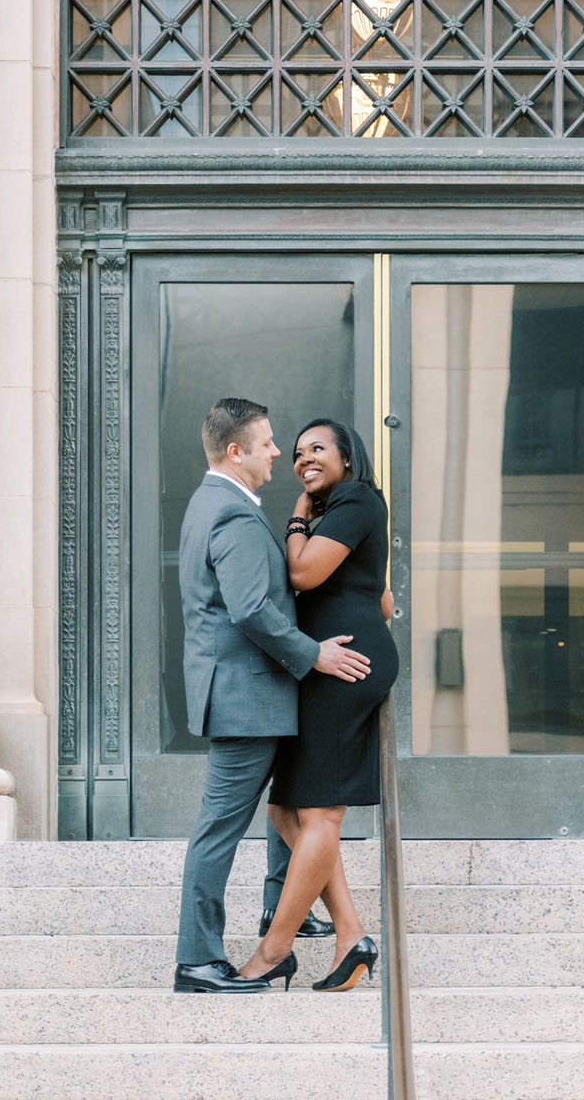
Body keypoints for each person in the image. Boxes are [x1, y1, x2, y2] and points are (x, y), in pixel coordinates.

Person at [173, 397, 371, 994]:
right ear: (236, 451)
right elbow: (252, 607)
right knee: (219, 829)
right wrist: (315, 654)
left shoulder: (219, 502)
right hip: (244, 697)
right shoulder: (229, 512)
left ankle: (280, 910)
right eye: (267, 443)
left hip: (253, 693)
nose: (279, 452)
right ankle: (198, 960)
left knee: (286, 805)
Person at [237, 419, 399, 992]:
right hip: (331, 664)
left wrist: (298, 518)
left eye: (318, 449)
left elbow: (303, 573)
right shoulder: (349, 511)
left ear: (348, 458)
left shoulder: (355, 498)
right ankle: (351, 934)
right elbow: (382, 599)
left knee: (321, 814)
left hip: (343, 668)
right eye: (299, 451)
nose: (305, 458)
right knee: (286, 811)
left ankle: (273, 951)